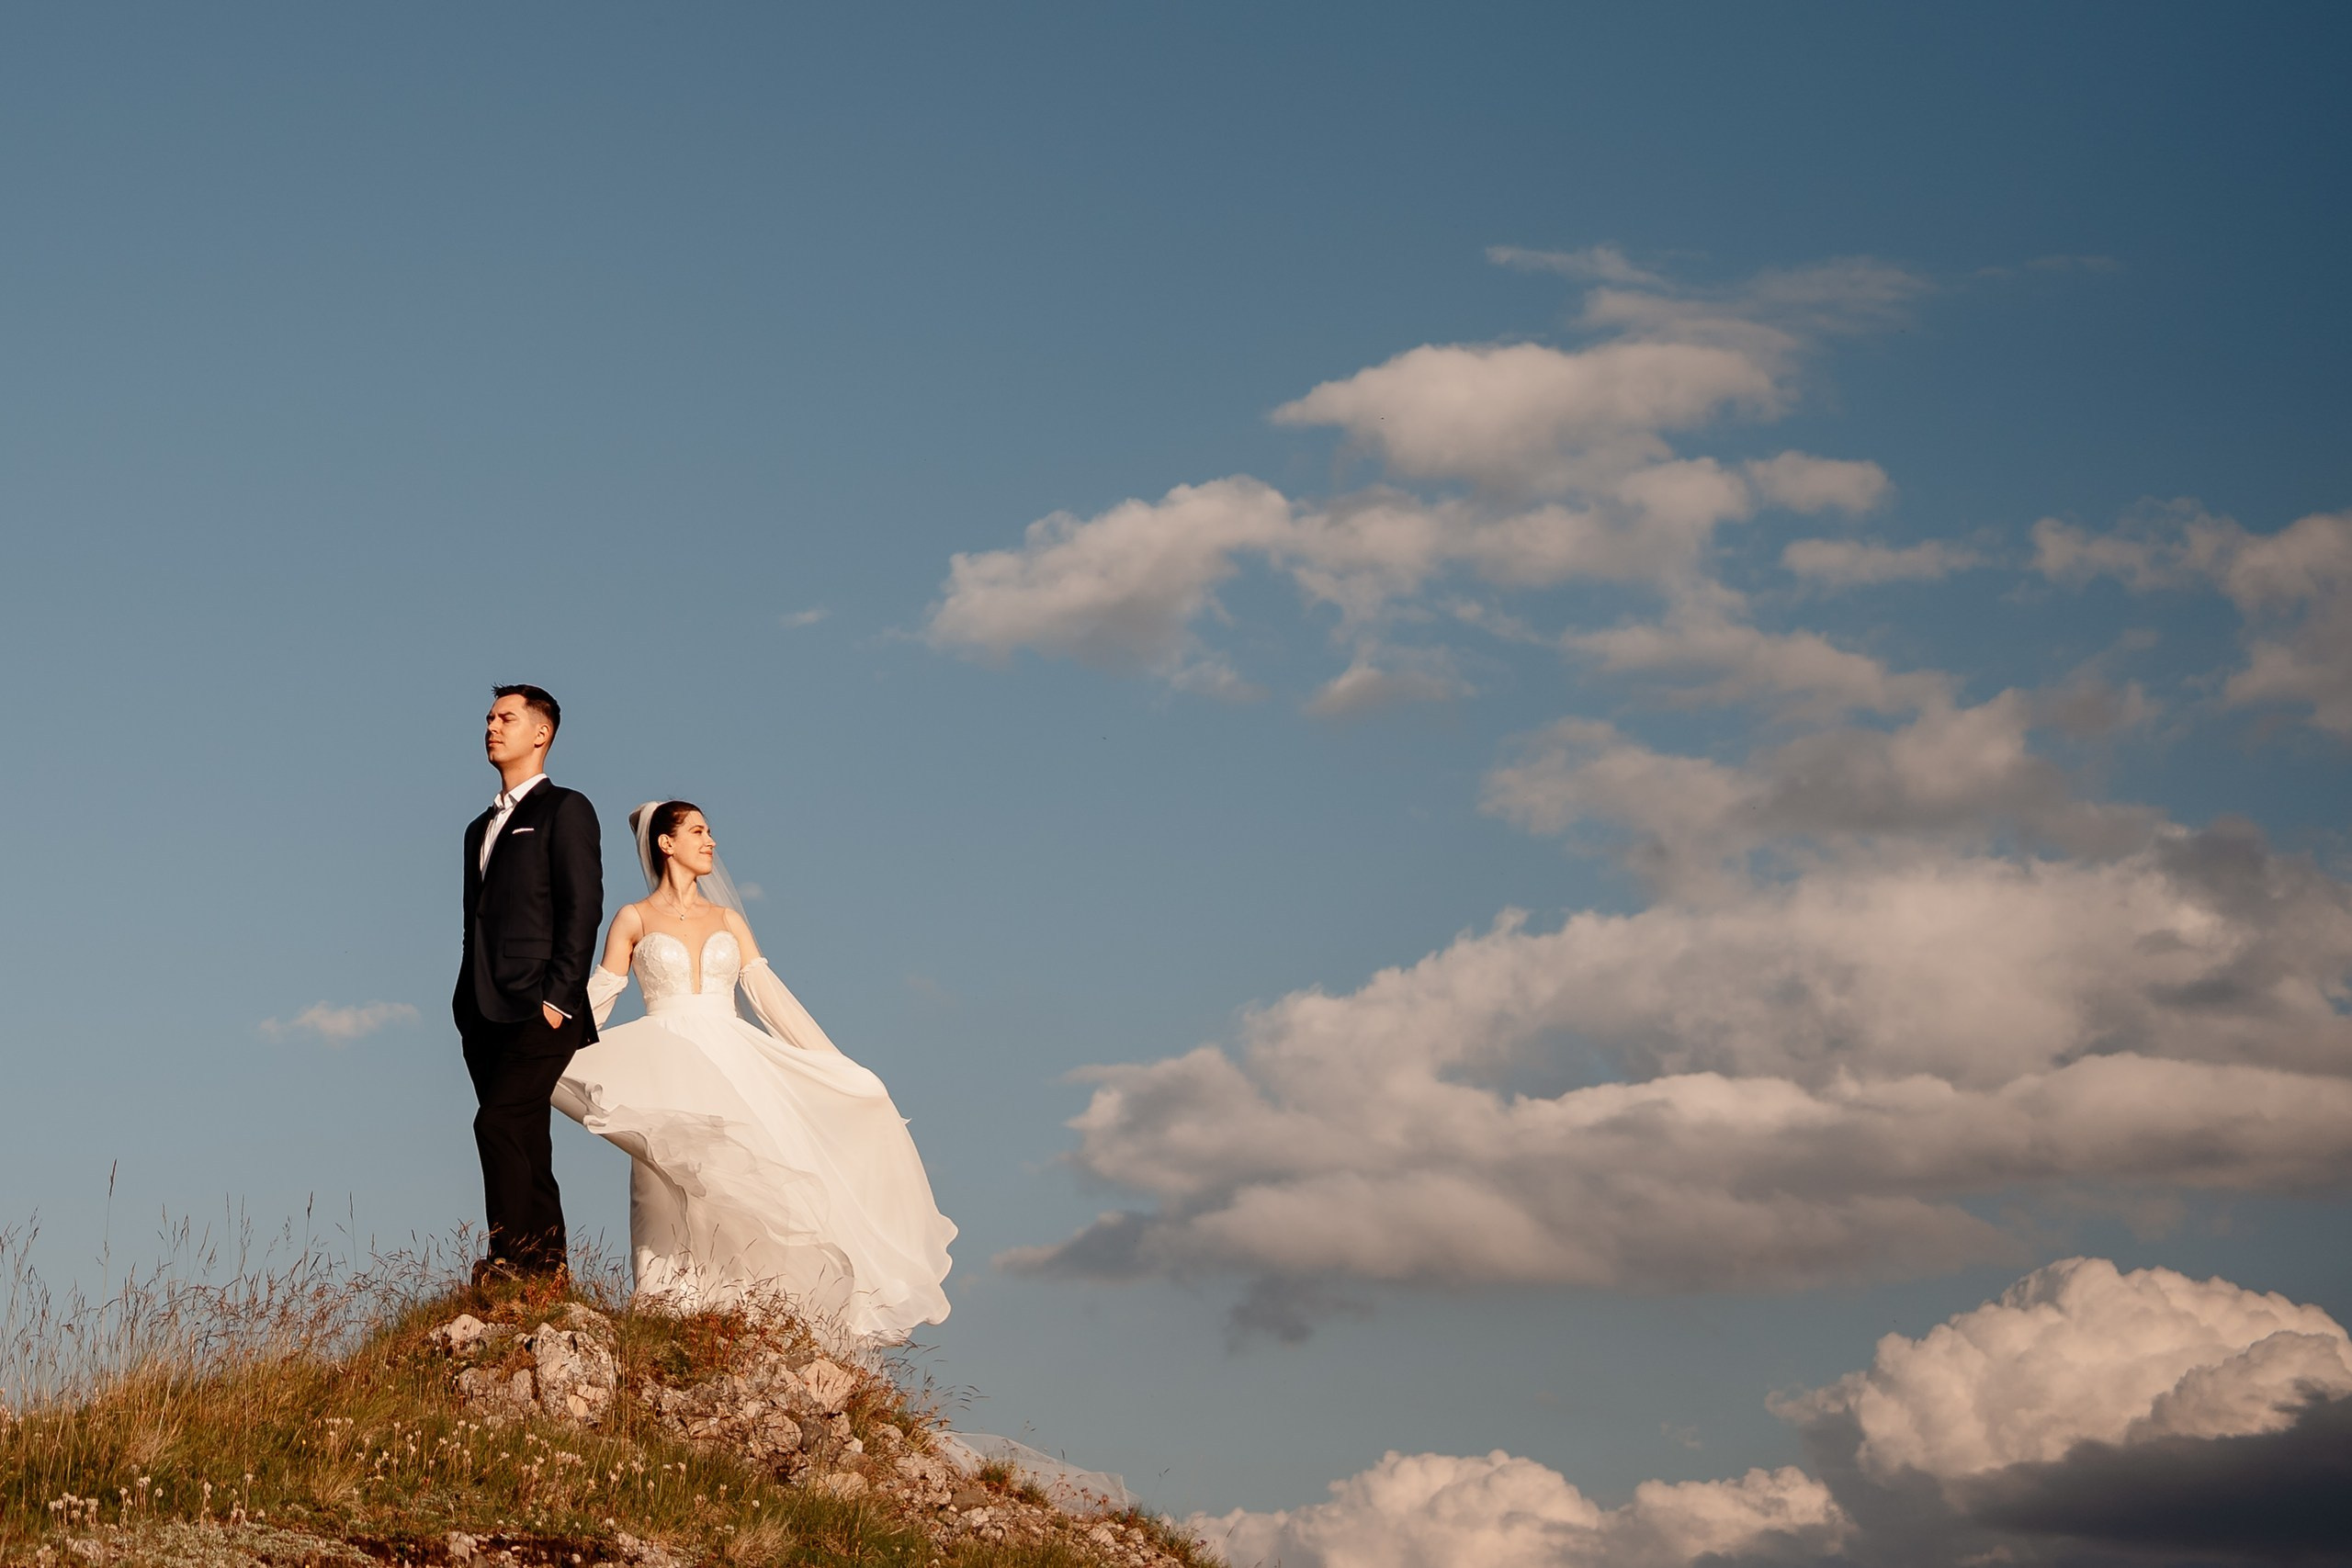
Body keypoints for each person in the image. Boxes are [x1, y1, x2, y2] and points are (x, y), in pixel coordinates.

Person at [552, 801, 955, 1341]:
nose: (711, 841)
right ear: (666, 844)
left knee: (747, 1182)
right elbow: (602, 993)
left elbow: (768, 997)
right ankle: (665, 1315)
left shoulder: (728, 921)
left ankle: (747, 1315)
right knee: (665, 1183)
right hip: (664, 1064)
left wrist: (833, 1065)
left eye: (710, 831)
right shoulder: (634, 917)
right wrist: (547, 1047)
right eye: (697, 831)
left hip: (731, 1061)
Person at [455, 684, 603, 1283]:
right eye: (489, 717)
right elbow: (476, 923)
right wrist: (464, 1002)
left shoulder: (566, 808)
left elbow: (582, 907)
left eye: (506, 717)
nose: (492, 725)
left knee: (497, 1122)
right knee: (524, 1134)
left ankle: (512, 1260)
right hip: (481, 1011)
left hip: (542, 1006)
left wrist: (557, 1000)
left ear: (541, 732)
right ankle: (547, 1269)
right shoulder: (477, 828)